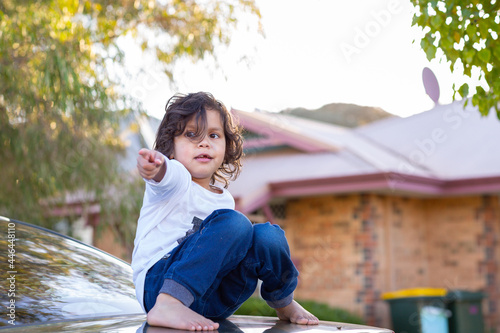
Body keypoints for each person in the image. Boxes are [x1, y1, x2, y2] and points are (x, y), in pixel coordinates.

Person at [132, 92, 318, 331]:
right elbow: (165, 175)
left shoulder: (224, 200)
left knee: (266, 236)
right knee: (237, 223)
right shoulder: (176, 181)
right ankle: (170, 303)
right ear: (171, 148)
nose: (204, 143)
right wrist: (155, 167)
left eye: (213, 135)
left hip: (211, 298)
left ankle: (283, 301)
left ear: (226, 146)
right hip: (157, 287)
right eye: (191, 135)